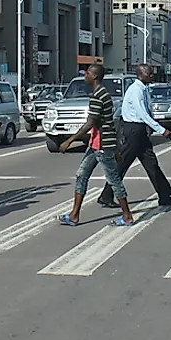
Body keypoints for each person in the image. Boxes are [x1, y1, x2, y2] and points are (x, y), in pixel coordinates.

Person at [96, 63, 171, 209]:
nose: (151, 75)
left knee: (152, 164)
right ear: (140, 74)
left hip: (140, 132)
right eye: (149, 73)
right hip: (133, 131)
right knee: (122, 165)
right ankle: (106, 195)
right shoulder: (136, 90)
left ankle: (165, 195)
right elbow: (142, 114)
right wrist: (161, 130)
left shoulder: (143, 89)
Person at [57, 64, 135, 226]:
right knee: (82, 175)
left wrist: (69, 140)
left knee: (114, 180)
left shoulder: (99, 96)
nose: (85, 76)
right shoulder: (101, 94)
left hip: (102, 145)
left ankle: (127, 216)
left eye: (87, 74)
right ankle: (74, 215)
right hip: (95, 144)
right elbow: (108, 123)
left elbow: (90, 123)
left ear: (94, 76)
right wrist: (116, 148)